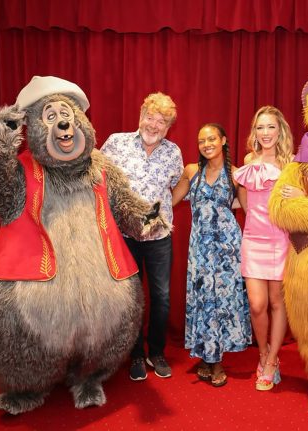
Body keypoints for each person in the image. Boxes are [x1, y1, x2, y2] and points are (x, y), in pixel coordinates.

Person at [100, 92, 183, 381]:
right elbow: (97, 179)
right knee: (132, 298)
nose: (154, 125)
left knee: (162, 297)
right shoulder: (116, 143)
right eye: (150, 117)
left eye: (162, 121)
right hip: (124, 236)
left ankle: (156, 352)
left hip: (159, 237)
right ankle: (135, 354)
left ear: (168, 127)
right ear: (140, 116)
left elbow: (176, 187)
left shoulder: (173, 153)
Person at [172, 123, 252, 387]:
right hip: (200, 247)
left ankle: (216, 360)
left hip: (227, 247)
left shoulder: (236, 173)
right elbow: (171, 199)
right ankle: (206, 355)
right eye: (201, 141)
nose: (206, 144)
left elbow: (248, 207)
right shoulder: (192, 171)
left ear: (223, 140)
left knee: (222, 300)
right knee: (204, 298)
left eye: (211, 139)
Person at [233, 106, 298, 391]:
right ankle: (261, 352)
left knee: (276, 302)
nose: (266, 133)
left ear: (280, 130)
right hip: (254, 238)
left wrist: (298, 193)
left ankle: (271, 361)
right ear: (254, 132)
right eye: (260, 127)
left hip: (281, 239)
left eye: (271, 127)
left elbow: (304, 200)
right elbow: (244, 196)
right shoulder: (249, 159)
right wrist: (254, 223)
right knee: (257, 305)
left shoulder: (292, 163)